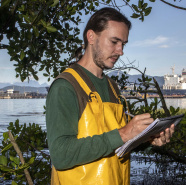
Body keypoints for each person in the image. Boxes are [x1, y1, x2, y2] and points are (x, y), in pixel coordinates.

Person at [46, 7, 175, 185]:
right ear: (91, 37)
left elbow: (116, 142)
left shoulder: (113, 88)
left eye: (123, 44)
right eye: (114, 41)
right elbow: (61, 155)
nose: (120, 51)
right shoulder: (66, 86)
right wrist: (125, 133)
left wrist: (148, 138)